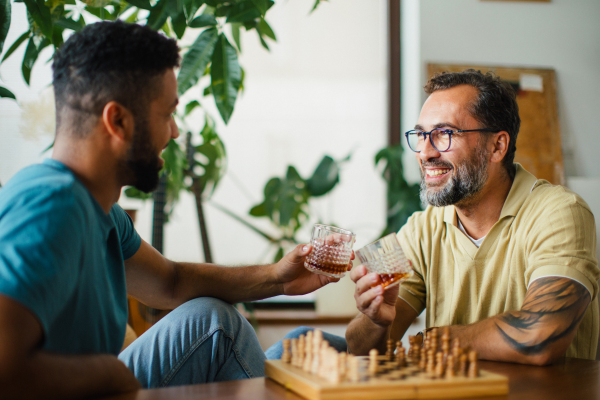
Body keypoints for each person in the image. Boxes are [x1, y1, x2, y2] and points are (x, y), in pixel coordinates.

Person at [0, 21, 348, 399]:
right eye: (167, 113)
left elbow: (171, 282)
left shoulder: (103, 214)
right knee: (219, 325)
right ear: (117, 121)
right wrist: (110, 375)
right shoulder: (51, 205)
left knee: (309, 343)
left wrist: (278, 279)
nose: (175, 131)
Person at [269, 69, 599, 365]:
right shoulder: (420, 227)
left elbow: (540, 335)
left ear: (498, 146)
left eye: (444, 134)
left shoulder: (560, 212)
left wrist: (435, 342)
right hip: (452, 390)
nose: (426, 152)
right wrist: (375, 319)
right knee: (295, 341)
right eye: (421, 135)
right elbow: (358, 348)